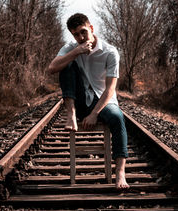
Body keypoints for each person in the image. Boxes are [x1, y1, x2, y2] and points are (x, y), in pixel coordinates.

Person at [48, 13, 129, 190]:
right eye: (76, 34)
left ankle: (121, 172)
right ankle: (71, 112)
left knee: (117, 118)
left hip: (103, 102)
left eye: (83, 32)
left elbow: (110, 90)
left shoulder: (110, 52)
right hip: (80, 101)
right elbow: (52, 68)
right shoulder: (72, 46)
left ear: (91, 28)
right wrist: (76, 51)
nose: (81, 37)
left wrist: (94, 114)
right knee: (65, 64)